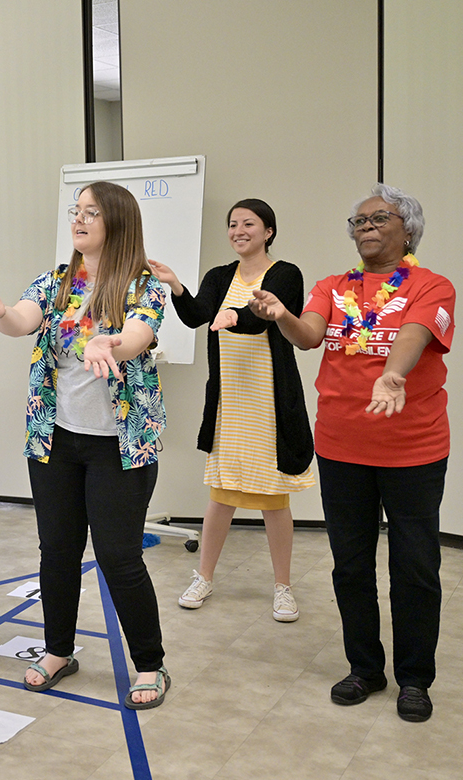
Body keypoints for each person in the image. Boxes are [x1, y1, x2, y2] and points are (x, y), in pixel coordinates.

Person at [250, 183, 454, 723]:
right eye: (358, 221)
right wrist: (282, 315)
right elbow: (308, 336)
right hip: (342, 447)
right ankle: (364, 667)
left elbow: (414, 334)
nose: (365, 227)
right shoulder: (333, 286)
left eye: (378, 218)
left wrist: (392, 374)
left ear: (407, 230)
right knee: (351, 565)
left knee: (415, 567)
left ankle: (415, 678)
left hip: (414, 450)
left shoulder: (432, 286)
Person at [0, 181, 168, 707]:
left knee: (118, 557)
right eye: (76, 211)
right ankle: (58, 651)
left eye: (91, 213)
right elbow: (21, 321)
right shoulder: (55, 282)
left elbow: (139, 335)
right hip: (55, 439)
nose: (78, 220)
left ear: (117, 222)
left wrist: (109, 342)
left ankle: (150, 664)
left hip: (119, 445)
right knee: (56, 551)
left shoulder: (143, 286)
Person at [149, 199, 313, 622]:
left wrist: (235, 316)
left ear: (268, 231)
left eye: (249, 224)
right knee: (221, 495)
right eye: (233, 224)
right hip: (229, 401)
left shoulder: (286, 274)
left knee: (273, 498)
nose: (239, 231)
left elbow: (263, 319)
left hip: (269, 401)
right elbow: (196, 317)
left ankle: (283, 587)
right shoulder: (220, 276)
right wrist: (176, 286)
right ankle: (203, 577)